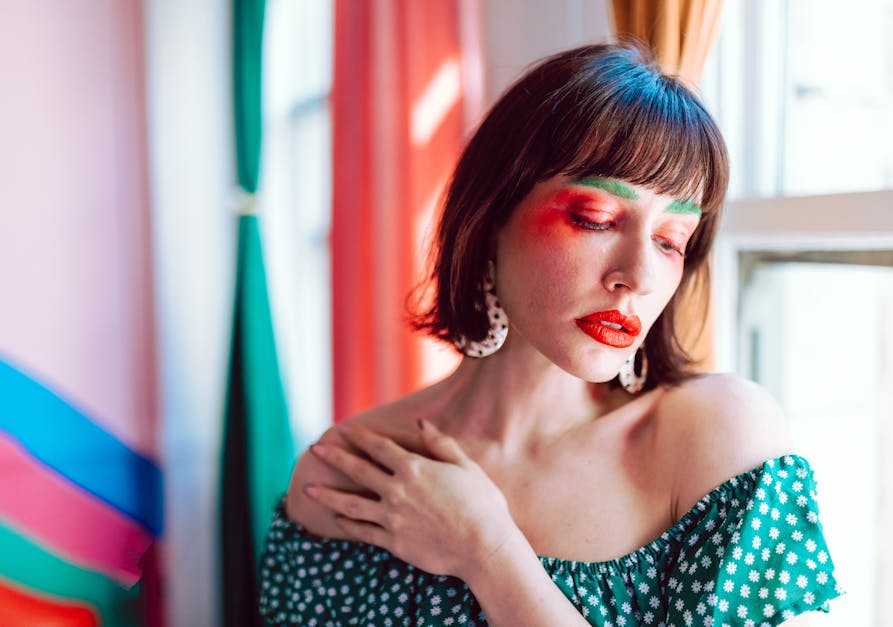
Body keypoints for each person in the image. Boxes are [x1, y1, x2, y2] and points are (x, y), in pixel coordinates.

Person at [259, 42, 844, 626]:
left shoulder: (718, 438)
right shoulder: (352, 473)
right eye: (596, 219)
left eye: (671, 241)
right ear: (490, 222)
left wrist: (489, 552)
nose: (637, 276)